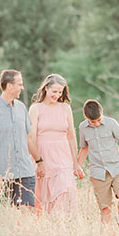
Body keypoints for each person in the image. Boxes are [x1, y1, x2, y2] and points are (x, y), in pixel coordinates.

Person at [0, 69, 43, 209]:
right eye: (20, 84)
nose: (22, 88)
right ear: (9, 86)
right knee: (1, 213)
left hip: (25, 171)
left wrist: (39, 161)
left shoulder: (21, 108)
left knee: (27, 211)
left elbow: (29, 138)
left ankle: (23, 232)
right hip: (1, 173)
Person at [77, 99, 119, 225]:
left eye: (99, 120)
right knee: (105, 210)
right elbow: (84, 148)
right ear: (86, 117)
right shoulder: (82, 127)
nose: (96, 124)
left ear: (102, 113)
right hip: (98, 172)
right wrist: (78, 166)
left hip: (116, 168)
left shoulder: (112, 123)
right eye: (92, 121)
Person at [29, 74, 84, 215]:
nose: (57, 95)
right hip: (43, 156)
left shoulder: (65, 108)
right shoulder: (36, 109)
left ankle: (62, 224)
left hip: (63, 157)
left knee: (65, 190)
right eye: (54, 91)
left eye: (60, 92)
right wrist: (37, 161)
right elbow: (31, 137)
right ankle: (48, 228)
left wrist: (76, 163)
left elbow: (71, 136)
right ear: (46, 88)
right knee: (42, 199)